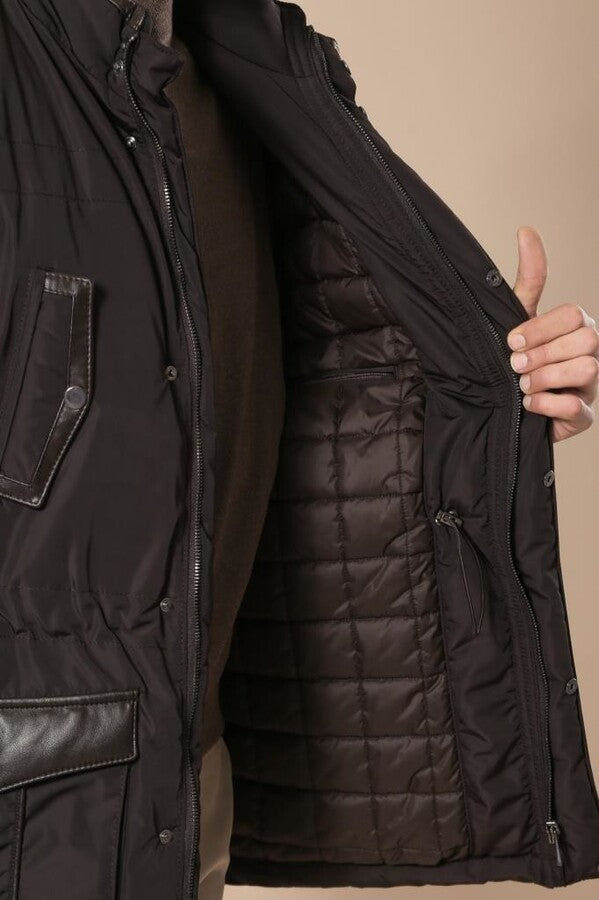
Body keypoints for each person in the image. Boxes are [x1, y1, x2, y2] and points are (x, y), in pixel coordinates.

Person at [0, 1, 597, 898]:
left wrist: (481, 389)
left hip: (181, 784)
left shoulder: (243, 66)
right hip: (37, 794)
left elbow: (283, 399)